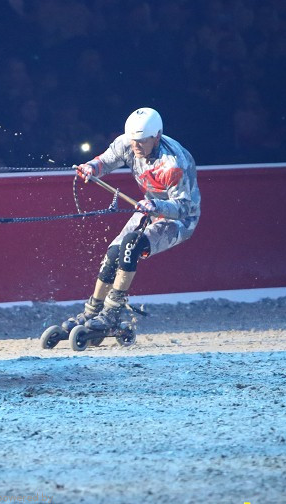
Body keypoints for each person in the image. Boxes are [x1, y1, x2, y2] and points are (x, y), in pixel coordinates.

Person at [69, 107, 201, 336]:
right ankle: (93, 310)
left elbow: (184, 207)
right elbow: (106, 161)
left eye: (141, 142)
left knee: (132, 244)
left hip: (179, 219)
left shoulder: (174, 164)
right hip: (150, 206)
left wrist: (156, 206)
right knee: (113, 252)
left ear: (156, 137)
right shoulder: (128, 142)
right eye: (133, 141)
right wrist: (91, 168)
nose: (135, 146)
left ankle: (112, 312)